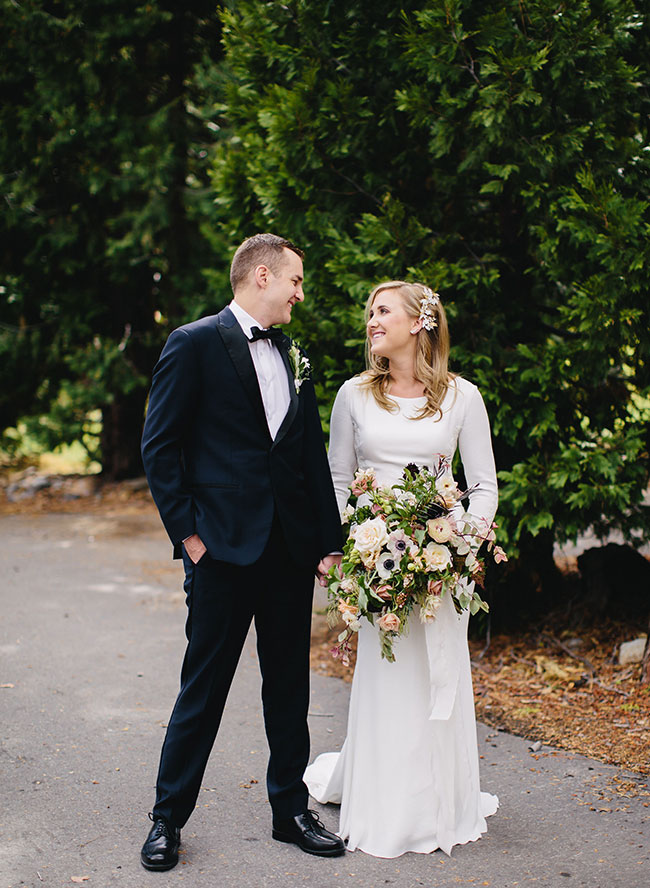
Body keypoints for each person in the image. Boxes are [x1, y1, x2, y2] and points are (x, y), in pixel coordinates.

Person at [140, 233, 346, 871]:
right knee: (203, 690)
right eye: (296, 282)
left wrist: (325, 543)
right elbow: (160, 446)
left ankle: (291, 813)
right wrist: (190, 538)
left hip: (287, 552)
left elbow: (307, 453)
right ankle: (166, 820)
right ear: (263, 276)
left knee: (289, 688)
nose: (300, 294)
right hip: (221, 552)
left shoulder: (293, 353)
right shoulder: (194, 342)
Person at [304, 281, 499, 858]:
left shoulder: (462, 397)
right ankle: (386, 804)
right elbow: (338, 481)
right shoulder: (353, 395)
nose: (371, 320)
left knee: (437, 675)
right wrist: (339, 548)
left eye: (382, 310)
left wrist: (464, 542)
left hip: (440, 564)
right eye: (369, 311)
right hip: (375, 563)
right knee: (388, 679)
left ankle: (440, 803)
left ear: (419, 322)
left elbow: (484, 486)